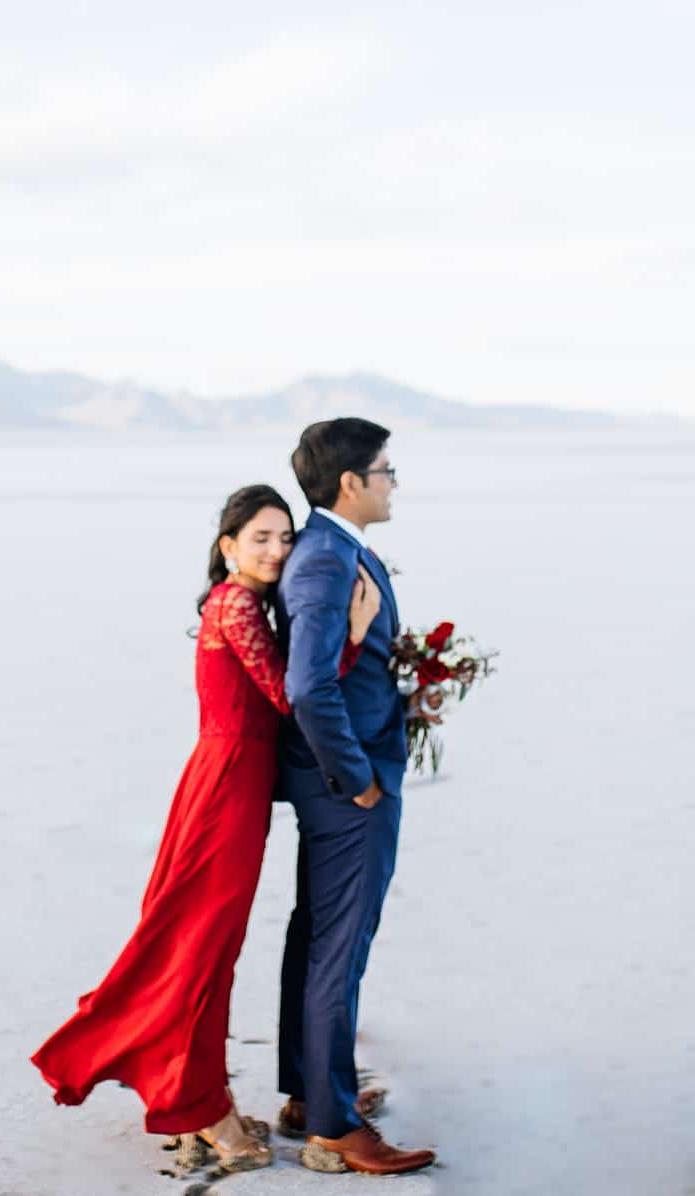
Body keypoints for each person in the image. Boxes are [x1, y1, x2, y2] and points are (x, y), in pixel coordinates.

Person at [32, 484, 379, 1172]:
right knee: (197, 947)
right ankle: (198, 1106)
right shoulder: (235, 603)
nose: (277, 550)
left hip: (235, 786)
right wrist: (356, 634)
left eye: (285, 537)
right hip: (224, 791)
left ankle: (200, 1090)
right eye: (261, 538)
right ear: (227, 547)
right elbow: (289, 694)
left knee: (206, 946)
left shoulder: (245, 602)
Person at [273, 418, 435, 1175]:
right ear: (351, 483)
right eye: (386, 470)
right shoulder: (325, 562)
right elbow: (307, 685)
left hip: (342, 783)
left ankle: (313, 1093)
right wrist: (359, 777)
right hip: (347, 792)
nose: (395, 481)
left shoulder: (338, 550)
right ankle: (335, 1123)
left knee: (318, 939)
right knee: (338, 950)